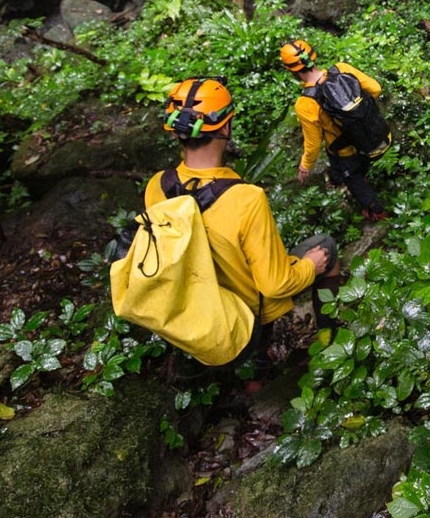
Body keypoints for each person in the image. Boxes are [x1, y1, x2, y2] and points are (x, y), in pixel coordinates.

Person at [146, 76, 339, 379]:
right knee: (324, 245)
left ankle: (247, 378)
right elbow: (275, 285)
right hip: (244, 318)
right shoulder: (246, 198)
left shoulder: (157, 185)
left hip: (192, 309)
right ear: (225, 127)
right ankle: (331, 346)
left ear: (176, 133)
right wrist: (310, 267)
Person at [279, 39, 392, 222]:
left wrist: (305, 166)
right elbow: (376, 89)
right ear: (313, 56)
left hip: (344, 152)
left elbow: (313, 144)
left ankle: (376, 211)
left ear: (291, 70)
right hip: (370, 134)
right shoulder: (342, 69)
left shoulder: (306, 103)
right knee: (361, 165)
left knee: (353, 179)